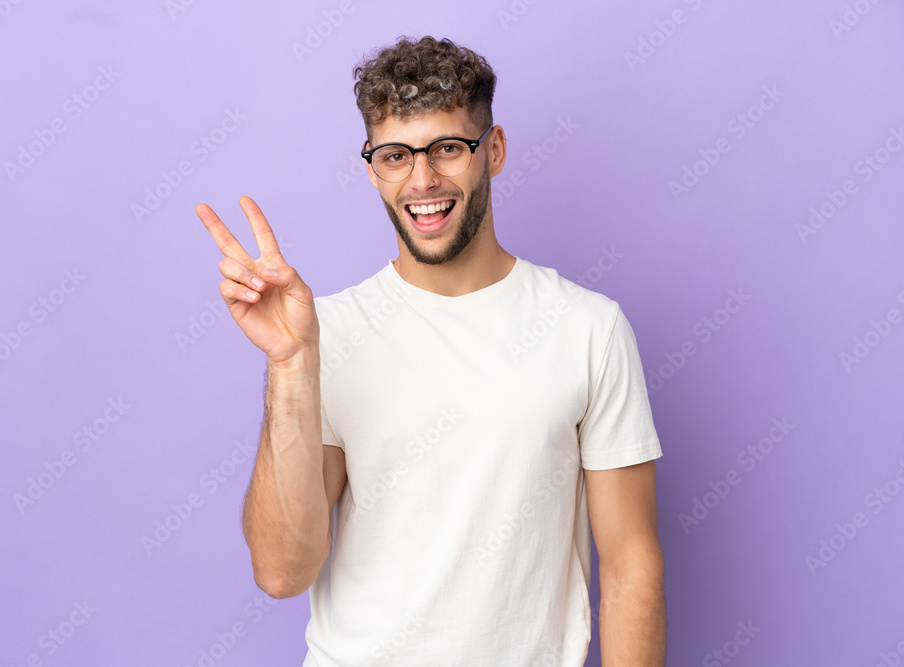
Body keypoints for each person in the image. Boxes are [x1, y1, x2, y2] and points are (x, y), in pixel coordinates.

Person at [197, 34, 665, 667]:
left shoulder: (588, 329)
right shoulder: (326, 335)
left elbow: (632, 562)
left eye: (447, 148)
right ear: (373, 170)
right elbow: (282, 571)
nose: (422, 181)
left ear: (493, 151)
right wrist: (289, 364)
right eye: (396, 156)